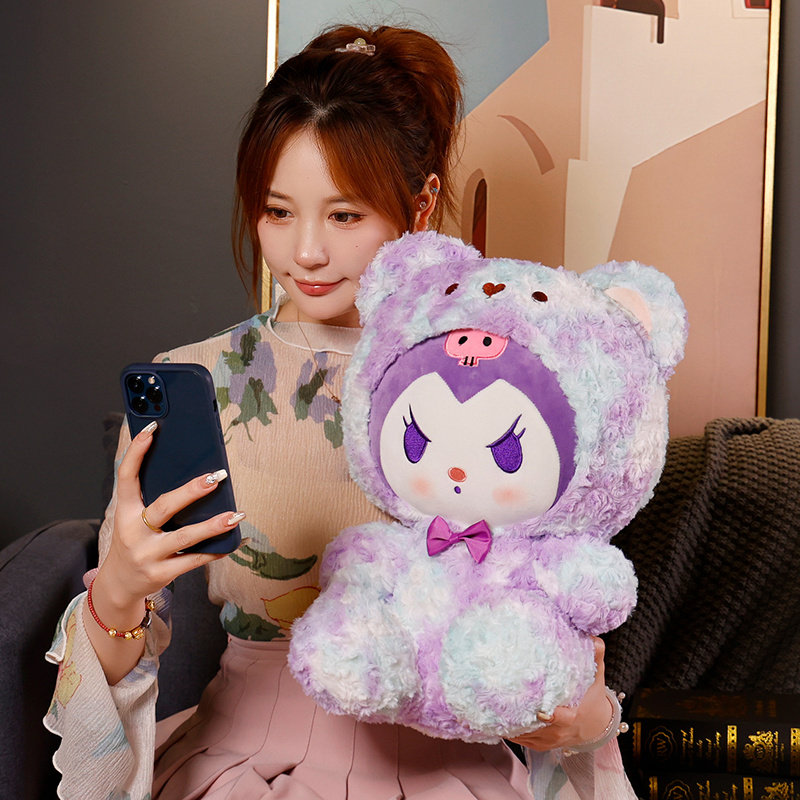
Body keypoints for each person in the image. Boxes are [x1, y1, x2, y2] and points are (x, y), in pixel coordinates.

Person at [45, 24, 636, 800]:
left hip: (447, 769)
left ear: (421, 204)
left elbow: (560, 651)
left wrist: (578, 712)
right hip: (244, 766)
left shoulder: (508, 376)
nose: (306, 252)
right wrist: (120, 589)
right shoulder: (203, 382)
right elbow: (114, 665)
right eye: (277, 211)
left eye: (344, 216)